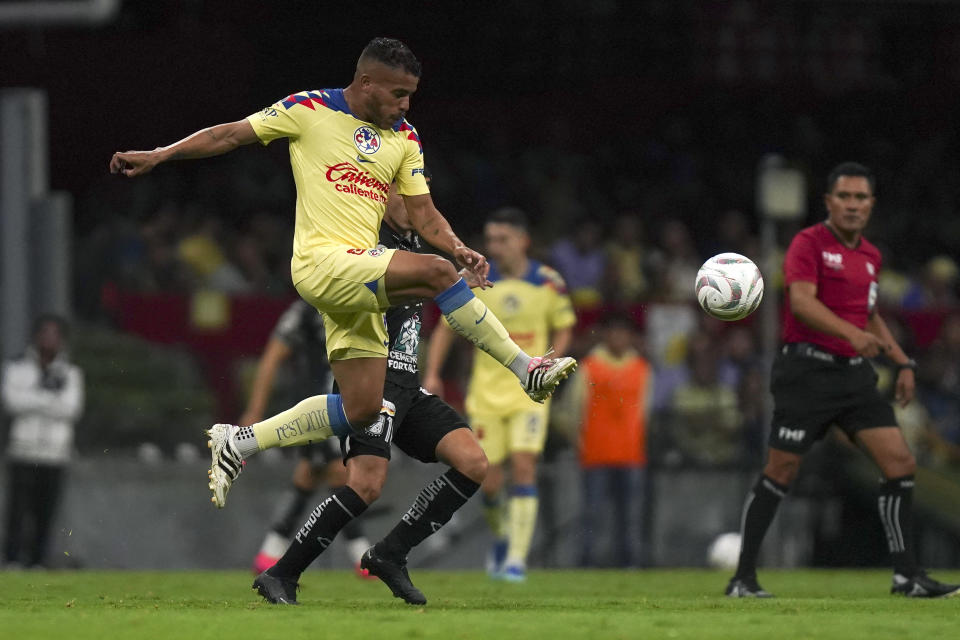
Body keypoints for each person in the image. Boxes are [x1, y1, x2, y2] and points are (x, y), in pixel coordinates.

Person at [109, 37, 576, 509]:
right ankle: (526, 368)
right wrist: (160, 155)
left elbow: (425, 214)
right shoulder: (308, 108)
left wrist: (458, 246)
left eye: (411, 94)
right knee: (438, 274)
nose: (405, 104)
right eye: (398, 94)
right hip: (321, 262)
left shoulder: (405, 138)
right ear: (367, 82)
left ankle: (240, 442)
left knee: (362, 408)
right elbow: (229, 134)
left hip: (357, 276)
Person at [726, 162, 960, 599]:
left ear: (871, 204)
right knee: (782, 468)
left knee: (900, 463)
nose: (853, 205)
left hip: (852, 375)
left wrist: (903, 362)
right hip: (807, 372)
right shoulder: (808, 244)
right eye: (845, 197)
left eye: (861, 198)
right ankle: (742, 578)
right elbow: (800, 303)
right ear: (829, 202)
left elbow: (869, 316)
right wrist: (852, 333)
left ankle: (906, 576)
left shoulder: (870, 256)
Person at [253, 178, 488, 606]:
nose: (420, 201)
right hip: (371, 385)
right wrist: (446, 279)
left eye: (426, 194)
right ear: (382, 197)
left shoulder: (413, 244)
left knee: (472, 461)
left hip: (408, 388)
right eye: (409, 193)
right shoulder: (366, 244)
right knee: (364, 484)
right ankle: (281, 573)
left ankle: (390, 553)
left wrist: (454, 282)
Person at [424, 207, 576, 582]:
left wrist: (550, 365)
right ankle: (504, 538)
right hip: (486, 395)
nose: (494, 247)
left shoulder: (548, 281)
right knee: (487, 480)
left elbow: (564, 326)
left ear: (523, 241)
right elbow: (446, 328)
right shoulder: (476, 279)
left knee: (524, 467)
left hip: (529, 395)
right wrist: (432, 373)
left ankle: (516, 561)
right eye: (490, 240)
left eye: (502, 239)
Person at [242, 299, 370, 577]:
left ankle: (269, 553)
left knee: (310, 474)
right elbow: (272, 358)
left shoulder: (355, 302)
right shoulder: (304, 312)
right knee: (338, 471)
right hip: (314, 404)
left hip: (346, 400)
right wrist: (255, 411)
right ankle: (363, 558)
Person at [567, 312, 652, 567]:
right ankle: (589, 559)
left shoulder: (642, 369)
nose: (618, 337)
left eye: (623, 333)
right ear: (606, 336)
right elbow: (574, 411)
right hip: (596, 452)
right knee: (593, 514)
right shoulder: (589, 367)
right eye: (614, 332)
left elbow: (645, 414)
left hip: (630, 452)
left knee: (630, 515)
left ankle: (629, 560)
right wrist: (578, 442)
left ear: (630, 337)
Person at [2, 315, 84, 568]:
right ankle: (13, 559)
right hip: (23, 450)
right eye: (44, 333)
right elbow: (12, 402)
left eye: (54, 335)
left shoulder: (70, 372)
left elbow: (71, 408)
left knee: (45, 511)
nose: (49, 339)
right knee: (17, 510)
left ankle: (38, 560)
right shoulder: (16, 368)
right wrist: (48, 399)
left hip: (55, 452)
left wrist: (34, 400)